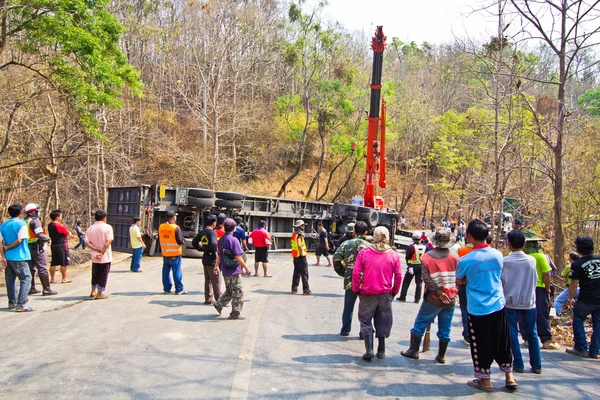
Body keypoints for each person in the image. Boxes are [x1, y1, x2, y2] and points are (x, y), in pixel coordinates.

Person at [457, 219, 516, 392]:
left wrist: (468, 280)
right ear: (487, 236)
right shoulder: (498, 255)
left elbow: (459, 280)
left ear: (468, 235)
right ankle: (509, 376)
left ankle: (485, 381)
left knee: (481, 343)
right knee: (503, 341)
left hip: (478, 308)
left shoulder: (465, 260)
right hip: (498, 304)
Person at [401, 228, 458, 364]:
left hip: (433, 298)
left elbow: (426, 279)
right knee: (445, 328)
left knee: (420, 323)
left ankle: (413, 350)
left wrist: (439, 292)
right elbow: (459, 278)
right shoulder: (455, 257)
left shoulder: (427, 257)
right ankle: (441, 355)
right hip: (450, 298)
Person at [352, 226, 402, 361]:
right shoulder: (394, 255)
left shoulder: (364, 253)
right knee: (383, 320)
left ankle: (369, 349)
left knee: (365, 320)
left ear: (374, 236)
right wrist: (394, 292)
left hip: (367, 292)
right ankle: (381, 350)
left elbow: (356, 273)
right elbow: (398, 276)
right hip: (385, 293)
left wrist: (356, 289)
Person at [502, 230, 542, 374]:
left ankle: (518, 364)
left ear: (509, 243)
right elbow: (535, 279)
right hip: (529, 302)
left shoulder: (505, 261)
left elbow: (501, 281)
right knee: (532, 333)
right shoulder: (531, 261)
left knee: (512, 333)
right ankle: (537, 365)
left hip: (510, 302)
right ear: (524, 243)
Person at [333, 221, 370, 337]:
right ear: (366, 232)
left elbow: (336, 258)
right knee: (365, 308)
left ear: (354, 231)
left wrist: (343, 272)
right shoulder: (370, 246)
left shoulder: (346, 244)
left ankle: (345, 330)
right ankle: (363, 332)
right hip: (366, 281)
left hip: (350, 279)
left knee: (348, 306)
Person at [566, 235, 600, 359]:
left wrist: (570, 298)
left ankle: (581, 347)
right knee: (598, 324)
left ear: (578, 248)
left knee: (578, 319)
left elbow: (573, 284)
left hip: (586, 299)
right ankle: (595, 350)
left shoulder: (577, 264)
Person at [523, 230, 559, 350]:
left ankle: (527, 338)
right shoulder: (540, 256)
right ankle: (546, 339)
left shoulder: (521, 256)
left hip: (524, 288)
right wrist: (548, 287)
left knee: (524, 314)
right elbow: (546, 274)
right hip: (539, 288)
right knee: (542, 313)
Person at [212, 218, 251, 320]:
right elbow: (238, 256)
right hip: (234, 271)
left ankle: (219, 304)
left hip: (225, 270)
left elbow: (219, 255)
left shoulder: (221, 240)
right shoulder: (233, 240)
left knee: (230, 291)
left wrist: (216, 266)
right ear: (234, 228)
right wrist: (246, 267)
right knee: (238, 292)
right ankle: (235, 313)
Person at [0, 204, 34, 312]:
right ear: (20, 212)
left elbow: (0, 242)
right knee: (26, 278)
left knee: (10, 280)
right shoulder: (22, 224)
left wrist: (3, 256)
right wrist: (8, 247)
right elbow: (20, 240)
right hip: (19, 256)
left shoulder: (3, 225)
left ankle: (12, 302)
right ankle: (22, 304)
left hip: (8, 257)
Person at [23, 203, 56, 296]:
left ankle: (31, 288)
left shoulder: (25, 221)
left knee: (30, 268)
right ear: (33, 212)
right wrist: (47, 239)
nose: (38, 213)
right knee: (42, 267)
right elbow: (39, 234)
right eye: (37, 211)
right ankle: (46, 289)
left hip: (27, 247)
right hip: (36, 247)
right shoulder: (35, 221)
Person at [84, 210, 114, 300]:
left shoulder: (90, 228)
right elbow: (108, 241)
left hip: (94, 255)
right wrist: (102, 252)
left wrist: (95, 249)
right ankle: (99, 293)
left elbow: (87, 242)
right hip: (105, 256)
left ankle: (93, 291)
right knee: (103, 274)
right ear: (104, 218)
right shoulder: (107, 227)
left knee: (95, 273)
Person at [192, 214, 221, 304]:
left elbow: (194, 242)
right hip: (212, 259)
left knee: (208, 279)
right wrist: (214, 252)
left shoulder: (202, 232)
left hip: (205, 258)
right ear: (213, 223)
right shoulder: (212, 232)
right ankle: (219, 300)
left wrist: (201, 248)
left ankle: (208, 298)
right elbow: (213, 243)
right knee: (216, 280)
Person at [158, 210, 186, 294]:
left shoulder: (161, 227)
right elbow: (180, 240)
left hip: (165, 253)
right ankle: (179, 289)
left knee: (165, 272)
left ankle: (166, 288)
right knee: (176, 271)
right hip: (175, 254)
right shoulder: (175, 228)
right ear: (174, 218)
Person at [398, 231, 428, 303]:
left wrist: (409, 265)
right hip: (421, 266)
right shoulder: (425, 247)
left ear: (413, 238)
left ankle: (403, 296)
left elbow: (407, 257)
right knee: (419, 283)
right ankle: (417, 299)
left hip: (412, 266)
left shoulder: (411, 247)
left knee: (406, 282)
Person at [48, 209, 72, 283]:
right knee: (63, 262)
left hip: (53, 245)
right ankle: (64, 278)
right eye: (60, 216)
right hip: (62, 245)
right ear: (57, 217)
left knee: (53, 262)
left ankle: (52, 278)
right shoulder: (59, 226)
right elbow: (68, 233)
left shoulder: (50, 225)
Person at [291, 220, 310, 295]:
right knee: (304, 273)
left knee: (296, 273)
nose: (303, 227)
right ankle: (306, 290)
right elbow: (299, 244)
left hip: (295, 256)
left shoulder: (294, 234)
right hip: (300, 256)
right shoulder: (299, 234)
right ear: (300, 227)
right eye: (302, 225)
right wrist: (302, 252)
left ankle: (294, 288)